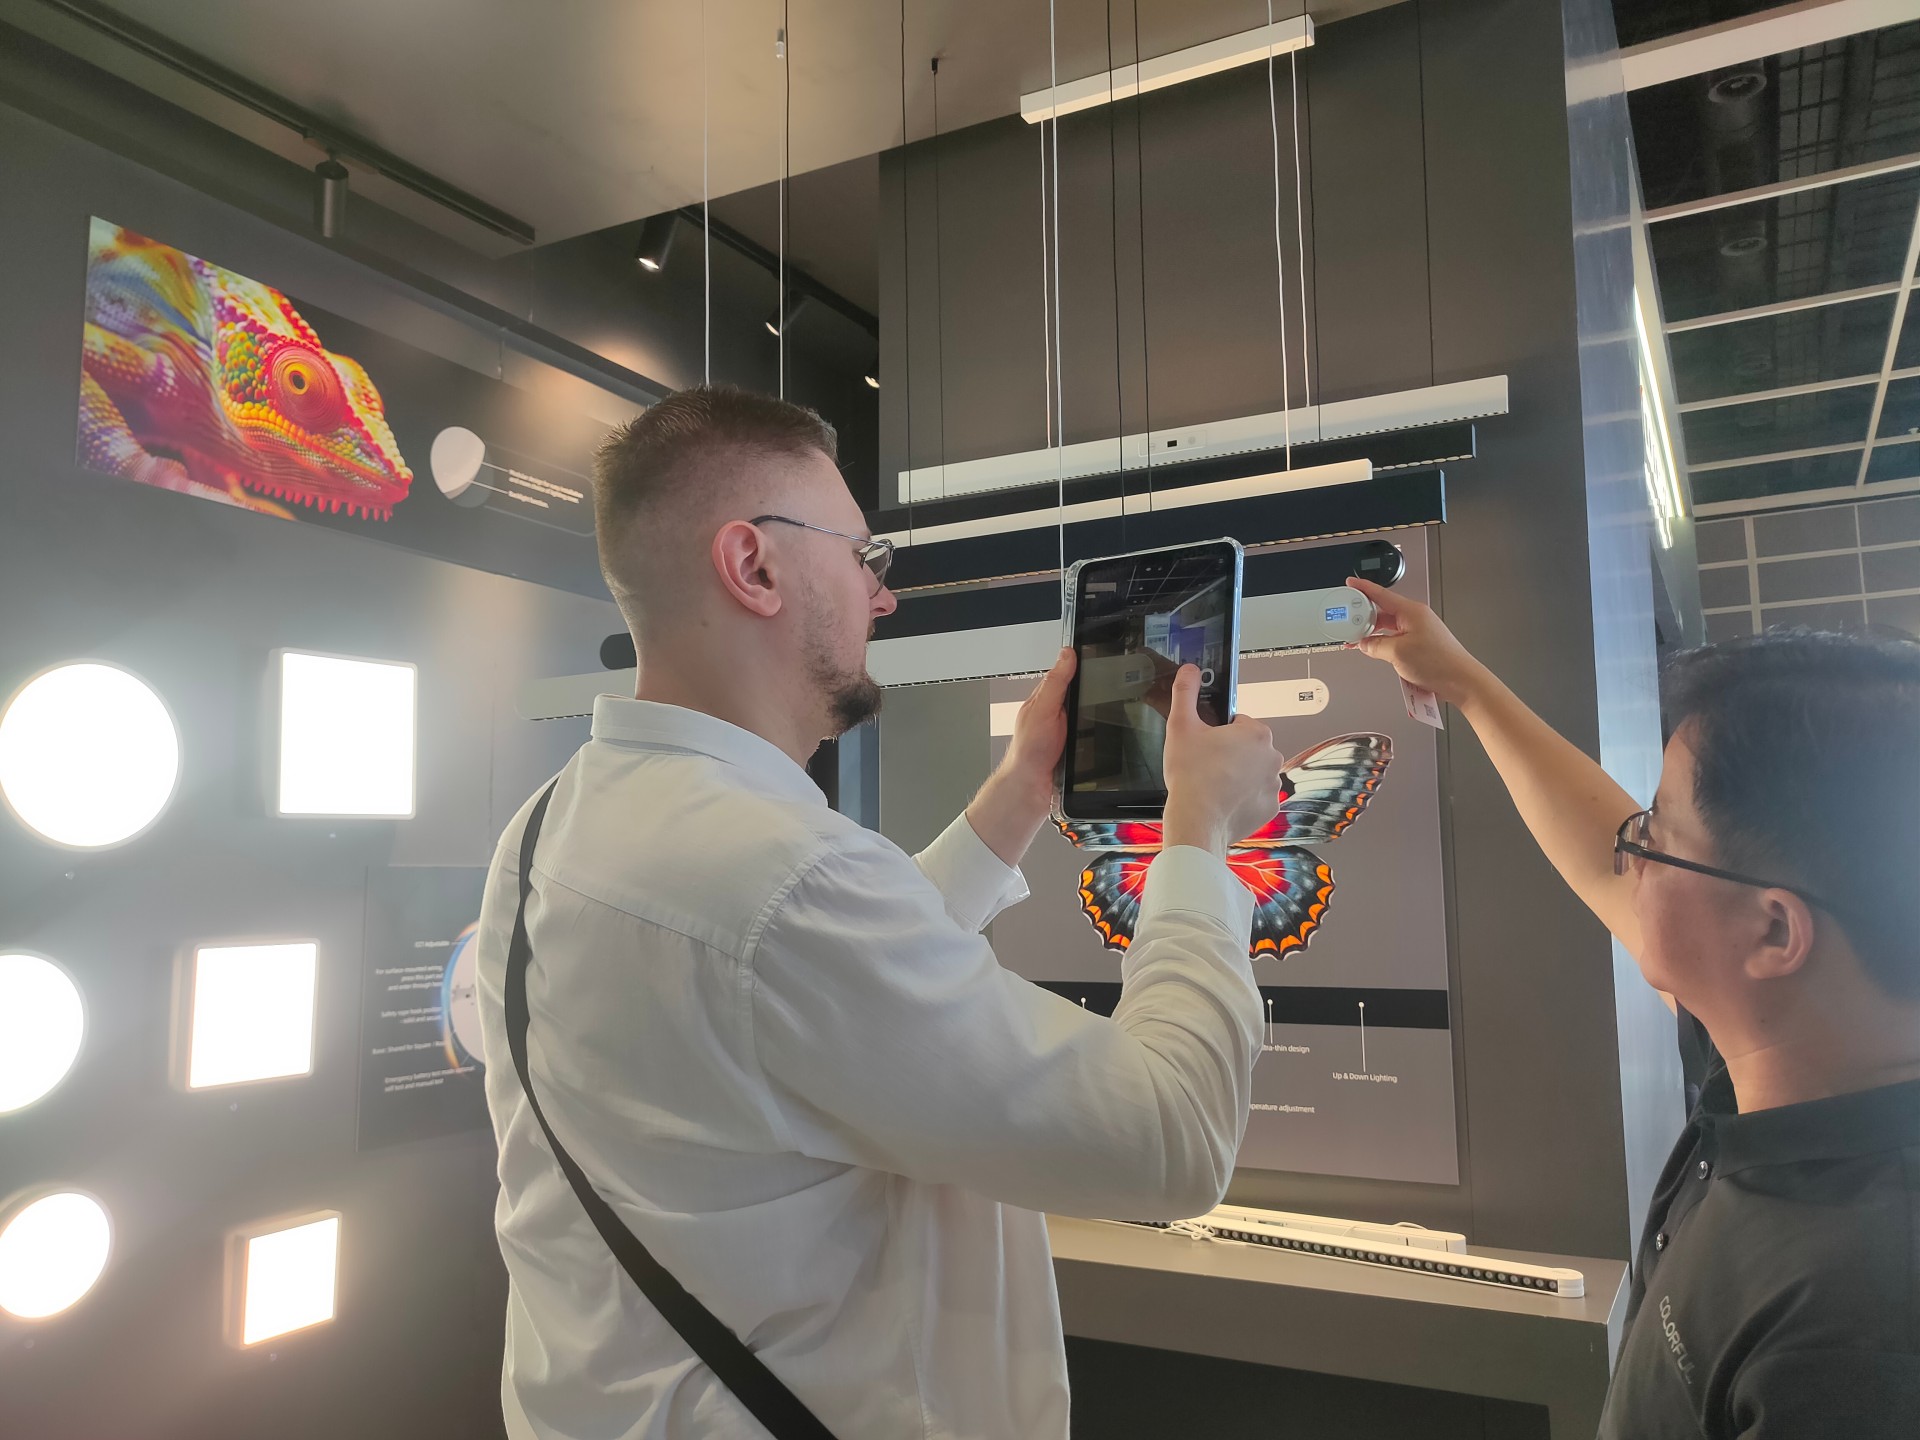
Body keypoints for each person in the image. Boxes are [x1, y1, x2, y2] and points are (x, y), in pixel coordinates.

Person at [472, 385, 1285, 1439]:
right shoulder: (783, 878)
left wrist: (1020, 795)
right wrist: (1201, 835)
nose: (883, 597)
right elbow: (1172, 1136)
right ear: (754, 566)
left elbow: (803, 1004)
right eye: (864, 557)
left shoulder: (547, 830)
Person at [1347, 575, 1920, 1438]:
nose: (1630, 850)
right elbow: (1600, 852)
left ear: (1774, 932)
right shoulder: (1790, 1057)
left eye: (1654, 832)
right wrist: (1463, 681)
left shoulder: (1862, 1327)